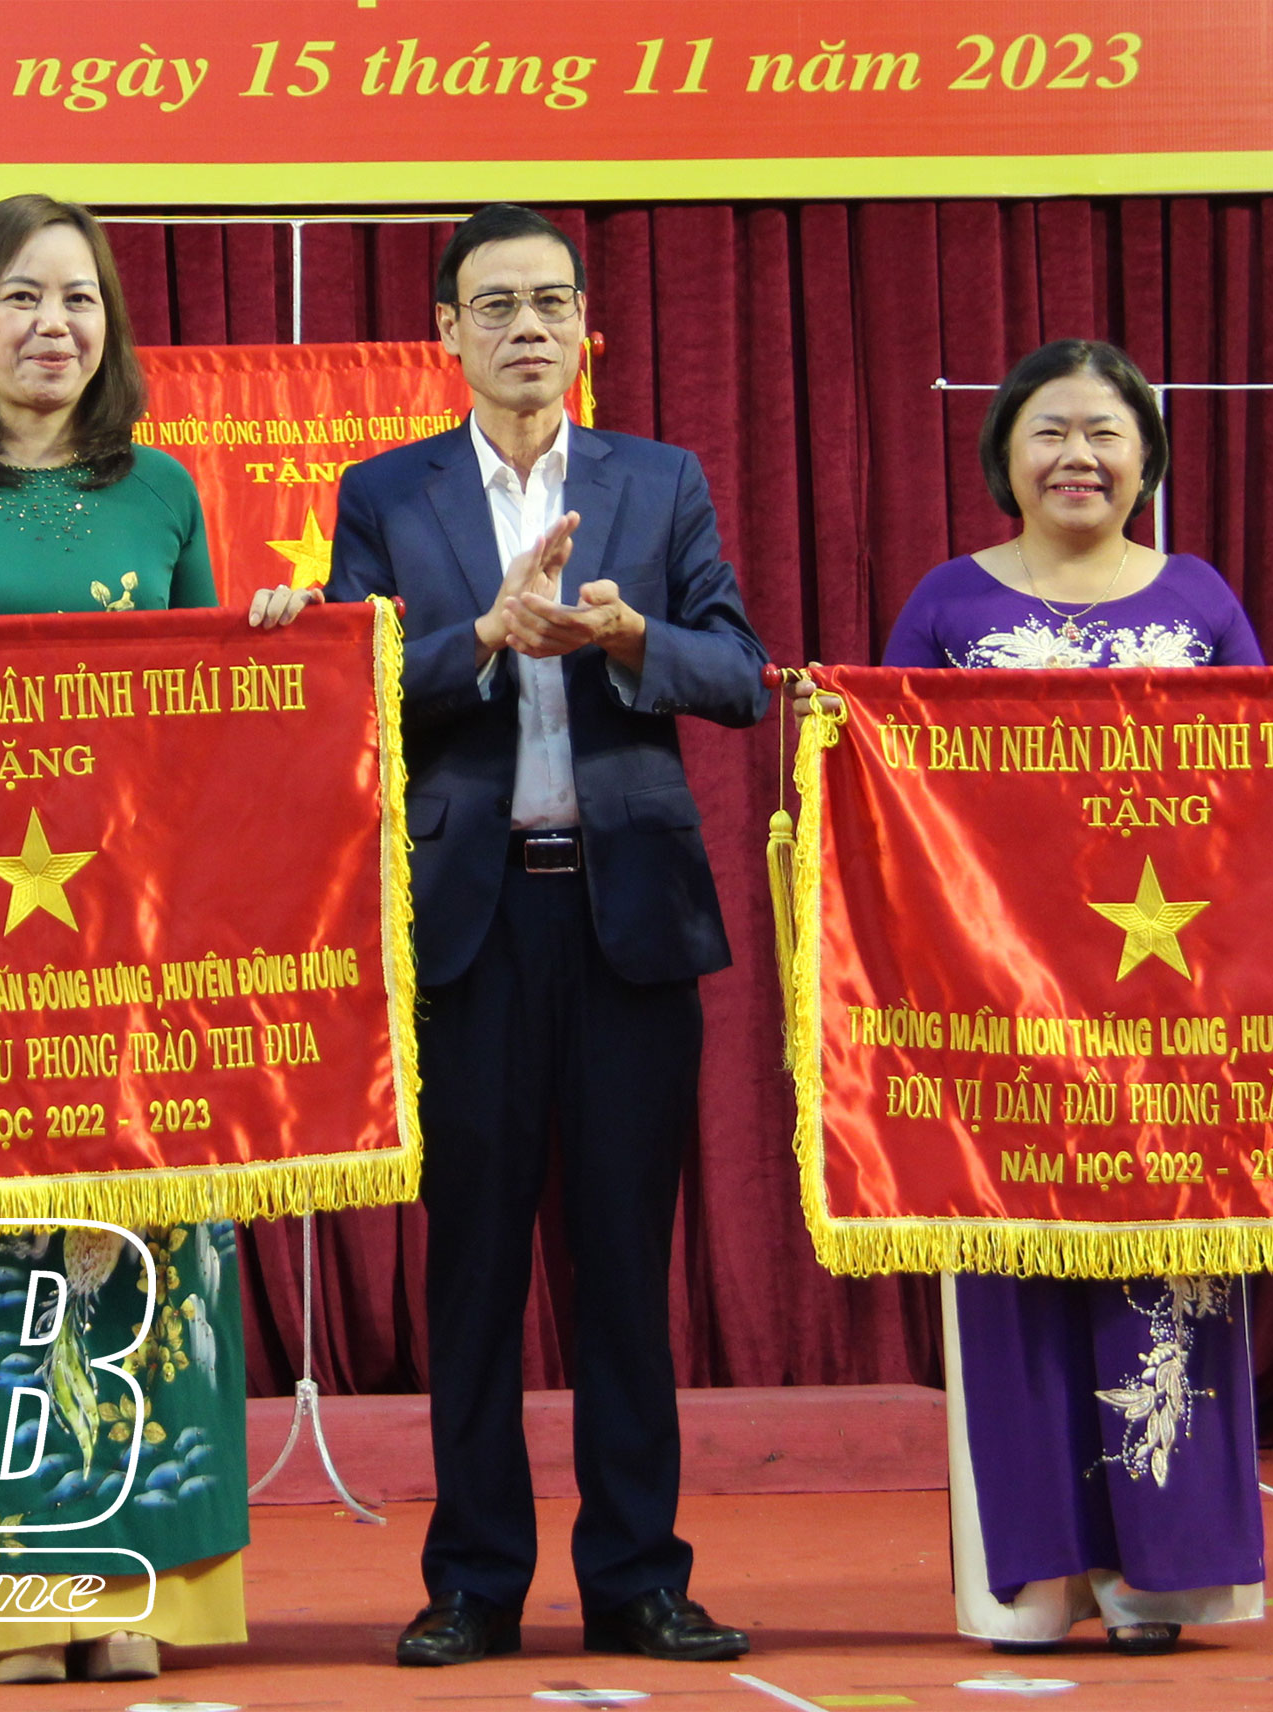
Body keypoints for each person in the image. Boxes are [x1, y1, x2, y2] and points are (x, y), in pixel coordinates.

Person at [0, 193, 312, 1687]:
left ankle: (140, 1589)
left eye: (80, 298)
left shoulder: (162, 491)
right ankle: (7, 1606)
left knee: (152, 1259)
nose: (54, 325)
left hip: (136, 949)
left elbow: (205, 723)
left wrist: (269, 641)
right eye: (22, 297)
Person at [326, 204, 769, 1669]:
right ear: (447, 333)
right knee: (474, 1268)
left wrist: (630, 636)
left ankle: (638, 1576)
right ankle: (474, 1581)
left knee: (625, 1264)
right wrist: (483, 638)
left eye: (552, 303)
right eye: (496, 304)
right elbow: (347, 689)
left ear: (588, 328)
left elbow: (741, 674)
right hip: (469, 921)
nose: (528, 327)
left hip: (625, 915)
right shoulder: (386, 493)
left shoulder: (661, 480)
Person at [867, 337, 1268, 1656]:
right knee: (1013, 1270)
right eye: (1049, 432)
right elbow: (884, 789)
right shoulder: (946, 604)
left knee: (1166, 1269)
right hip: (999, 1009)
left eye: (1105, 432)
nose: (1077, 457)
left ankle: (1163, 1569)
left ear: (1148, 455)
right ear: (1005, 459)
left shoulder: (1202, 598)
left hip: (1171, 1013)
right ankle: (1037, 1572)